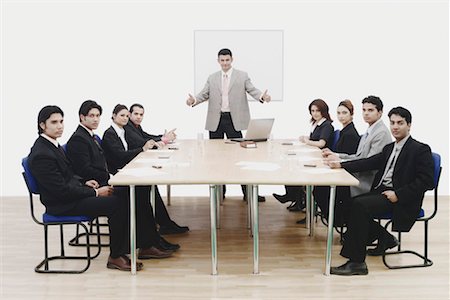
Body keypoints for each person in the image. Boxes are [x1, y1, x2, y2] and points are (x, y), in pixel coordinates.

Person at [28, 105, 173, 272]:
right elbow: (61, 191)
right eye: (54, 122)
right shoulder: (42, 154)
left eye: (61, 121)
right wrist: (96, 192)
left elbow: (69, 176)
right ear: (42, 125)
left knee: (134, 192)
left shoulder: (53, 146)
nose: (60, 126)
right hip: (62, 204)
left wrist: (84, 182)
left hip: (72, 196)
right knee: (117, 203)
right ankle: (116, 256)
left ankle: (146, 243)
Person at [327, 107, 434, 276]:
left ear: (409, 125)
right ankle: (384, 238)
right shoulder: (390, 148)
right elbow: (369, 162)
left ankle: (357, 263)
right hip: (383, 192)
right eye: (392, 123)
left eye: (400, 123)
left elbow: (426, 181)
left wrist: (398, 194)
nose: (395, 127)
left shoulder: (420, 149)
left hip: (401, 198)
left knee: (360, 206)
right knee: (348, 202)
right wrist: (341, 164)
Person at [66, 100, 180, 250]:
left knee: (143, 188)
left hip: (107, 178)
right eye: (91, 116)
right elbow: (84, 170)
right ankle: (149, 243)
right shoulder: (79, 139)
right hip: (98, 184)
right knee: (139, 191)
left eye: (98, 115)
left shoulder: (89, 135)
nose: (95, 119)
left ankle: (152, 240)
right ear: (82, 117)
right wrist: (111, 177)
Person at [186, 48, 271, 202]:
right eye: (222, 60)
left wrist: (262, 97)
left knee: (241, 157)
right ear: (218, 61)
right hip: (216, 120)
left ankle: (248, 194)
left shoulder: (242, 75)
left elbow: (252, 90)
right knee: (215, 159)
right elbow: (203, 94)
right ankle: (219, 193)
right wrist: (194, 101)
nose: (225, 63)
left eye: (227, 60)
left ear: (232, 60)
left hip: (234, 120)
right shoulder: (212, 78)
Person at [102, 104, 189, 235]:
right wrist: (158, 141)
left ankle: (159, 227)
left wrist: (162, 138)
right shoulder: (112, 133)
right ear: (114, 116)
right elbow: (128, 150)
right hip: (119, 173)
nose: (127, 118)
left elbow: (145, 137)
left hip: (126, 168)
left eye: (140, 115)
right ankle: (155, 230)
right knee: (147, 184)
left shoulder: (123, 130)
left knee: (150, 183)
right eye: (124, 115)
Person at [273, 99, 334, 219]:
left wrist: (307, 141)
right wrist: (306, 138)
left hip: (321, 159)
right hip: (314, 155)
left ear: (324, 111)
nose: (315, 113)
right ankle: (294, 198)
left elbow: (321, 143)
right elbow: (316, 139)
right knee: (290, 163)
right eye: (312, 111)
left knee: (295, 167)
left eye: (318, 110)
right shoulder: (317, 124)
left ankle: (293, 197)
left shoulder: (326, 125)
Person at [322, 95, 392, 198]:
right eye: (364, 110)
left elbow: (368, 163)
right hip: (358, 174)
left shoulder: (381, 133)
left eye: (370, 110)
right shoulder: (370, 130)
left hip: (365, 180)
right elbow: (358, 156)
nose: (366, 113)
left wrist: (340, 163)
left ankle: (338, 214)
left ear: (380, 113)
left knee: (323, 189)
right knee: (322, 187)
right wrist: (337, 156)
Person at [314, 100, 360, 225]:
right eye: (338, 113)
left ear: (351, 114)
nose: (341, 116)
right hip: (341, 168)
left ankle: (337, 220)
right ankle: (335, 219)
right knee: (319, 189)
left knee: (320, 190)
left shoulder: (350, 134)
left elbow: (350, 157)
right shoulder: (344, 131)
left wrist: (335, 157)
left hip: (346, 174)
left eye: (344, 113)